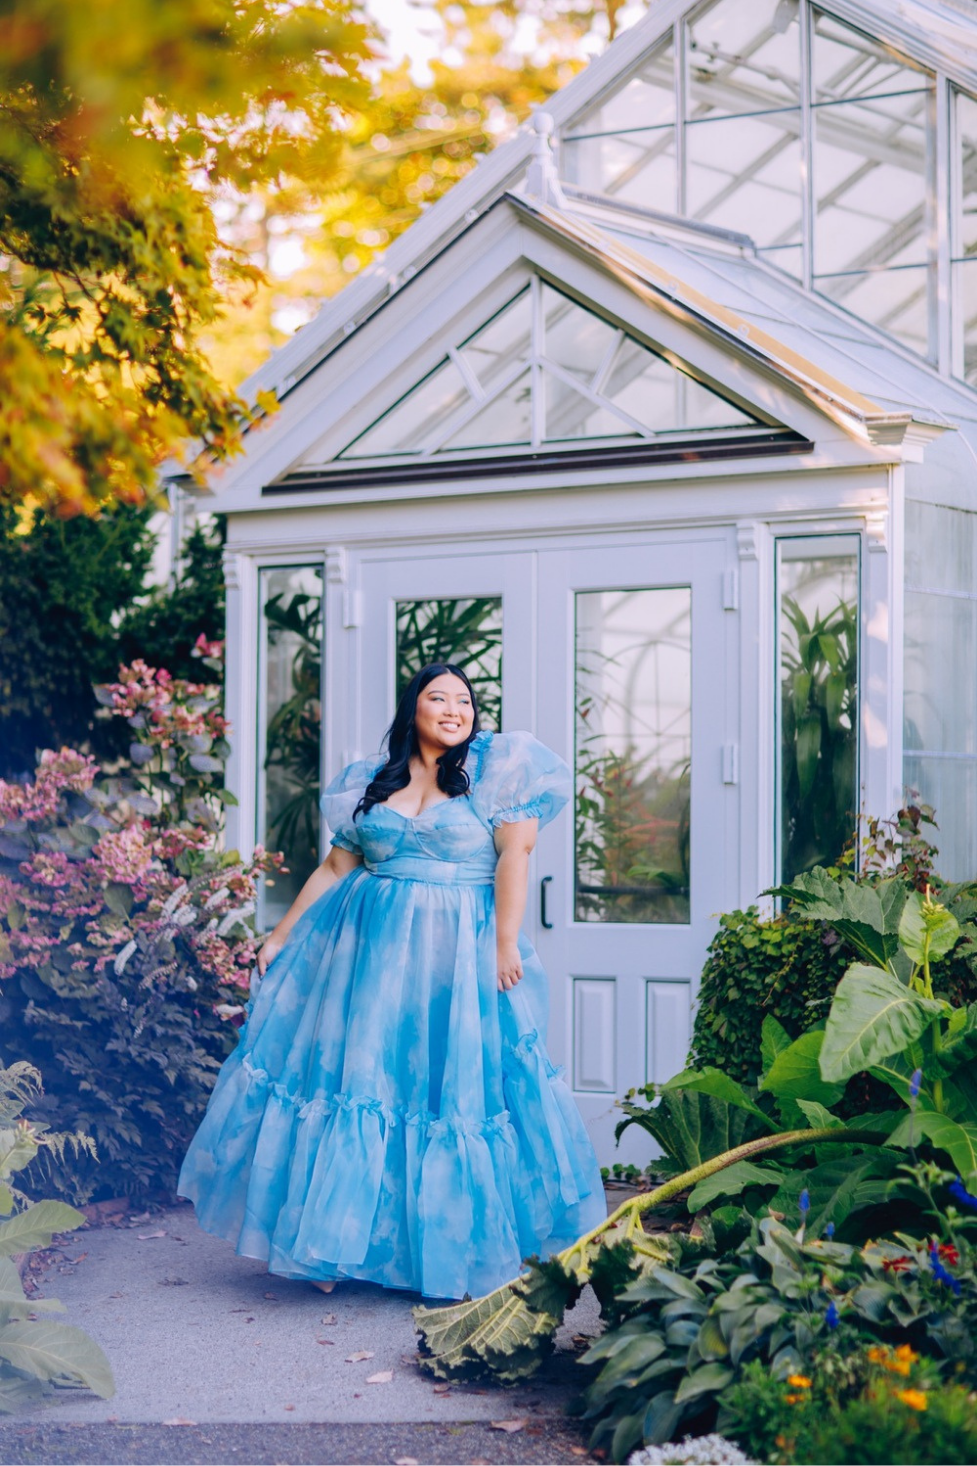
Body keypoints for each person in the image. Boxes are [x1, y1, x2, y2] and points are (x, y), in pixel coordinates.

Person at [177, 663, 606, 1300]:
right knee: (364, 1081)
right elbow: (334, 867)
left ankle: (445, 1254)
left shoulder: (499, 771)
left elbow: (515, 857)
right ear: (414, 711)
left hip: (457, 959)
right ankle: (332, 1249)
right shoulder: (369, 784)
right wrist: (282, 932)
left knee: (451, 1089)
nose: (455, 709)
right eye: (439, 697)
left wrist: (504, 943)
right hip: (368, 959)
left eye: (464, 700)